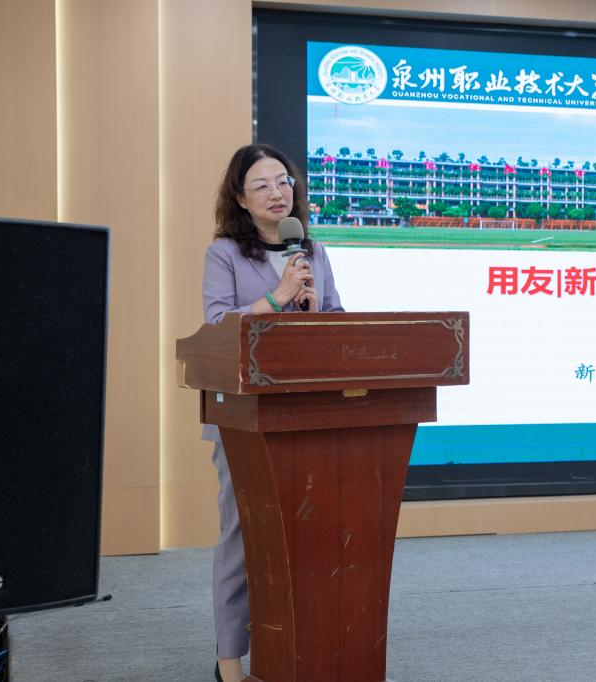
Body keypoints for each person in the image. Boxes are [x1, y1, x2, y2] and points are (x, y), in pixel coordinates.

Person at [202, 143, 344, 682]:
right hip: (244, 417)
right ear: (240, 199)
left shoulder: (312, 249)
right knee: (242, 536)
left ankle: (292, 650)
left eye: (283, 181)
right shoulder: (224, 254)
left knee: (304, 537)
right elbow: (217, 327)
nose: (277, 192)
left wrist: (318, 312)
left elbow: (338, 320)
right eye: (261, 185)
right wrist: (280, 298)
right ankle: (229, 663)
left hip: (306, 413)